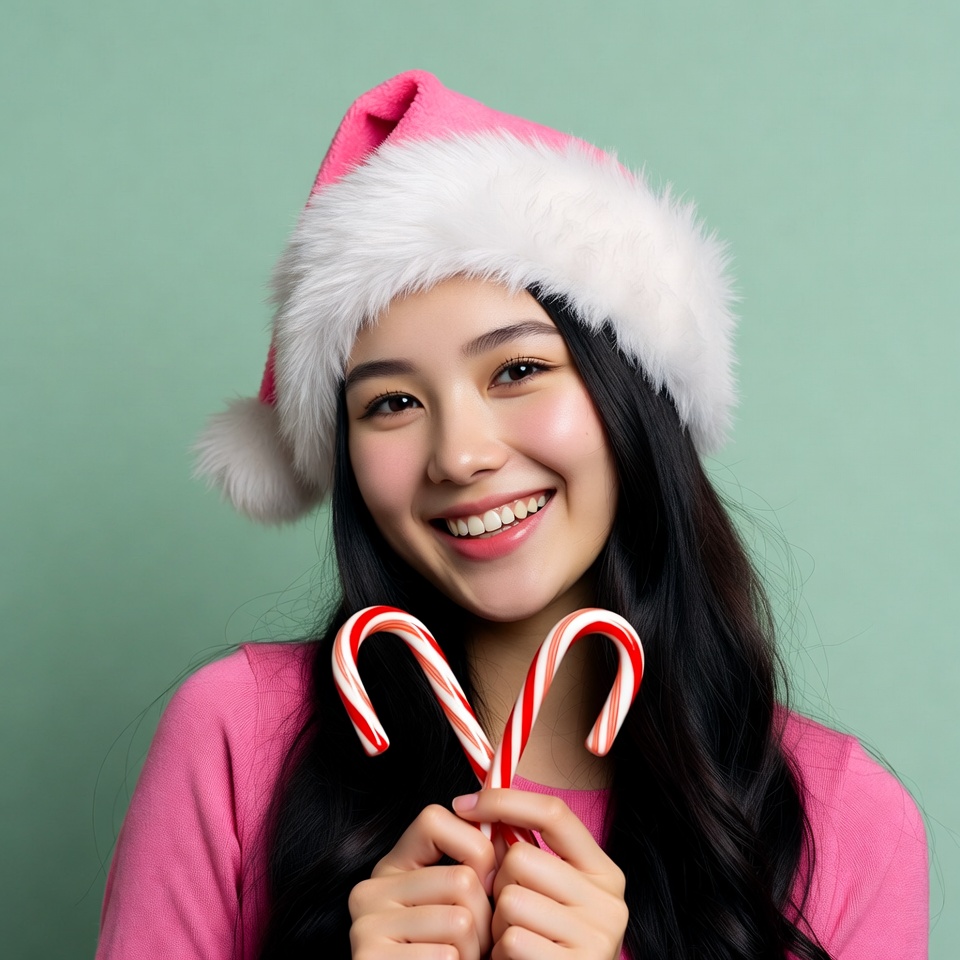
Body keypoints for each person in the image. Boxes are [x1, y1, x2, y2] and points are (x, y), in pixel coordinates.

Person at [95, 71, 928, 960]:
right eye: (389, 405)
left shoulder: (846, 822)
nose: (459, 454)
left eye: (518, 371)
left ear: (632, 396)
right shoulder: (235, 737)